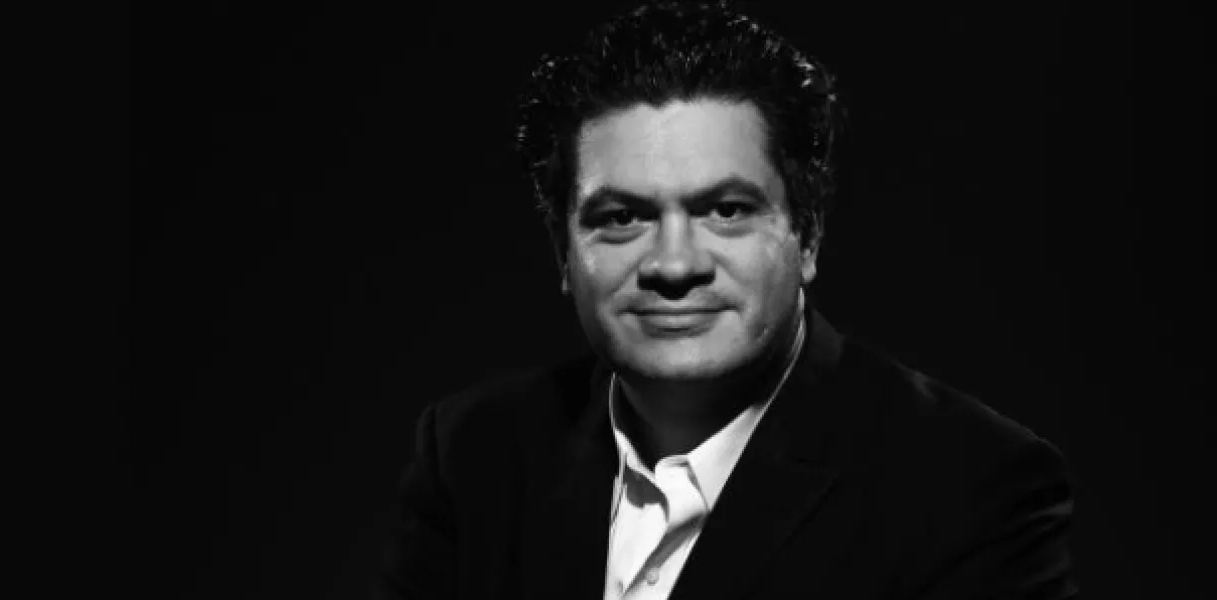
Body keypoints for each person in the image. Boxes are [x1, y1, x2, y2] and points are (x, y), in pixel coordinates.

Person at [374, 2, 1078, 598]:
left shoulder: (971, 487)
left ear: (807, 236)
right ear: (564, 253)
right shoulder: (472, 456)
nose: (674, 264)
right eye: (621, 218)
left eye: (727, 211)